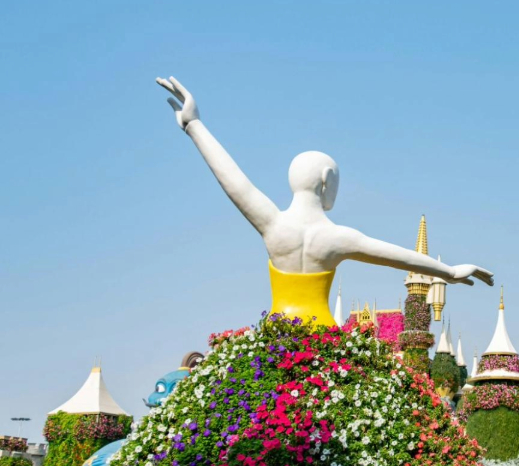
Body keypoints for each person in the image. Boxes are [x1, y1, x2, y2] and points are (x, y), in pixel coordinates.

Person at [155, 76, 493, 324]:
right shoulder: (337, 238)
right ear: (326, 180)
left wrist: (194, 126)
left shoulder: (273, 225)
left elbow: (234, 181)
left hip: (277, 342)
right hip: (323, 345)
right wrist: (449, 271)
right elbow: (399, 257)